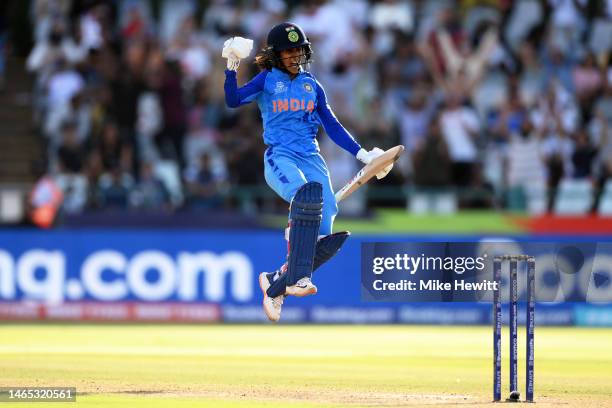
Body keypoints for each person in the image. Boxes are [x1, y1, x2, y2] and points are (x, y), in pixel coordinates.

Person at [223, 22, 390, 322]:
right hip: (280, 157)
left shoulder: (313, 85)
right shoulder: (266, 81)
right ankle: (298, 279)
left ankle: (276, 282)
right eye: (287, 51)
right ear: (276, 55)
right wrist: (231, 66)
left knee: (322, 231)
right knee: (305, 196)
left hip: (311, 158)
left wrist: (364, 154)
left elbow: (333, 127)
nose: (294, 56)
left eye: (298, 49)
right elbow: (233, 100)